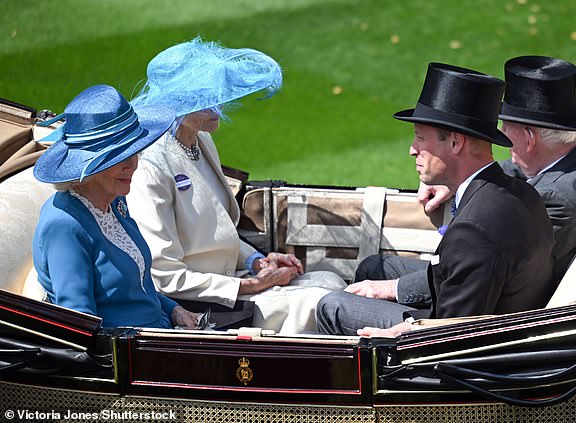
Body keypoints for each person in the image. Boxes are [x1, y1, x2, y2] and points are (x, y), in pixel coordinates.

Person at [316, 63, 556, 336]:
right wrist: (391, 290)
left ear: (455, 143)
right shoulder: (521, 193)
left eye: (420, 138)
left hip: (466, 356)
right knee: (372, 267)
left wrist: (402, 331)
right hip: (491, 319)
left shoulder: (473, 231)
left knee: (332, 306)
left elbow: (448, 340)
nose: (411, 150)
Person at [127, 38, 346, 334]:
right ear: (175, 100)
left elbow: (217, 227)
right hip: (199, 305)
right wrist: (250, 285)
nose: (217, 103)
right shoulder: (150, 167)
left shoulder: (202, 141)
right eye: (203, 95)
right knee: (321, 301)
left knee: (331, 281)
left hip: (234, 280)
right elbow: (165, 276)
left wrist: (256, 260)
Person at [416, 56, 576, 284]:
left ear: (529, 138)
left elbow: (481, 268)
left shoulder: (556, 201)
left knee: (375, 269)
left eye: (505, 126)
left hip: (485, 298)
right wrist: (454, 179)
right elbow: (512, 170)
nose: (501, 132)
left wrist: (395, 288)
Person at [32, 84, 200, 329]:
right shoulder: (64, 226)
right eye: (118, 156)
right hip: (125, 356)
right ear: (88, 164)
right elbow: (81, 327)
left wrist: (174, 310)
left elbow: (138, 284)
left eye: (134, 151)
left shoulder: (114, 199)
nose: (132, 164)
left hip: (161, 332)